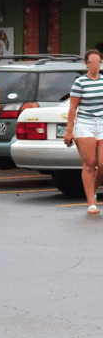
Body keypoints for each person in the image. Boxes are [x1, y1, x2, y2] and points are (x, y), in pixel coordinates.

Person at [63, 48, 103, 215]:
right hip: (85, 124)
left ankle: (92, 191)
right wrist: (69, 130)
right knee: (90, 164)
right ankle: (90, 202)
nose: (97, 65)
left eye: (99, 62)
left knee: (102, 163)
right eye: (93, 62)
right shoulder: (80, 82)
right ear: (87, 64)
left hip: (101, 123)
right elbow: (73, 107)